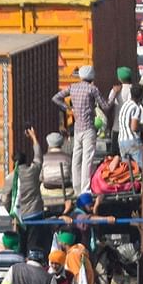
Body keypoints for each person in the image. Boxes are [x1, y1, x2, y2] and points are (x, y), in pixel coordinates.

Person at [53, 66, 110, 195]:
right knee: (87, 159)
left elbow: (56, 98)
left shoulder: (72, 87)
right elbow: (105, 105)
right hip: (89, 128)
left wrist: (68, 108)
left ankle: (76, 187)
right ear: (91, 77)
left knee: (76, 158)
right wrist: (112, 95)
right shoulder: (92, 89)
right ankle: (85, 189)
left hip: (77, 129)